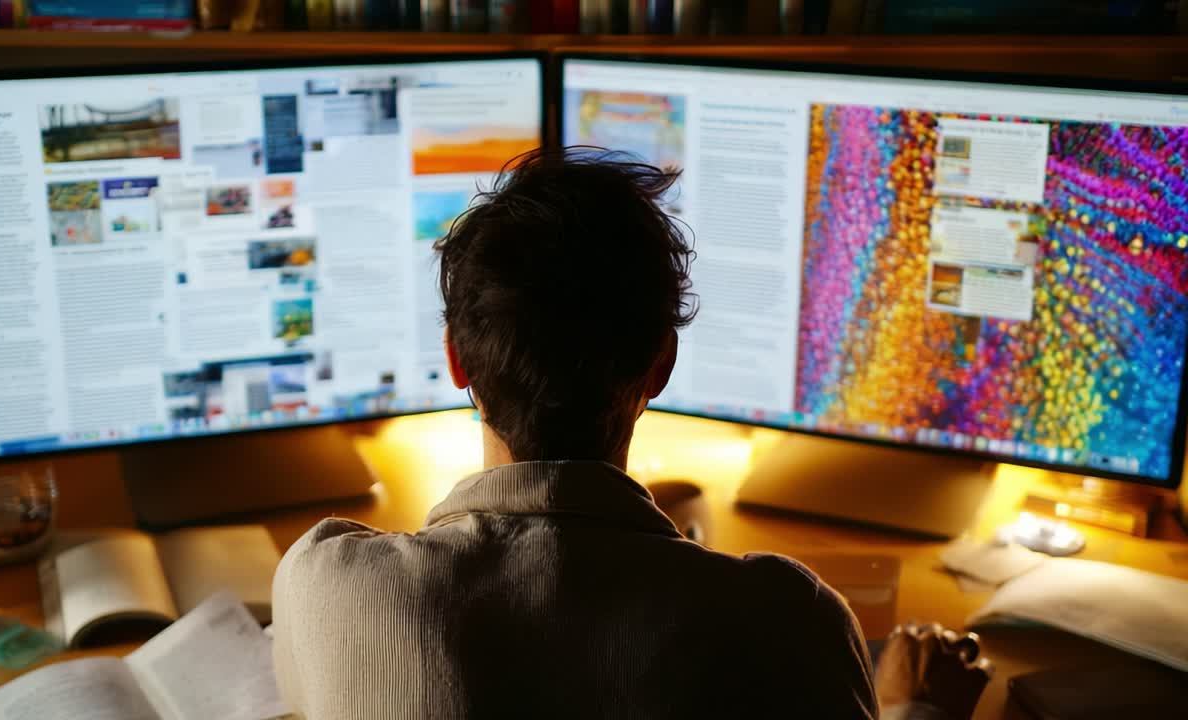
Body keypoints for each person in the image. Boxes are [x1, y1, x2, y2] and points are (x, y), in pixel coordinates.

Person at [271, 148, 990, 719]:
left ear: (457, 359)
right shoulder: (785, 622)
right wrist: (918, 707)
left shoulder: (324, 586)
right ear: (660, 367)